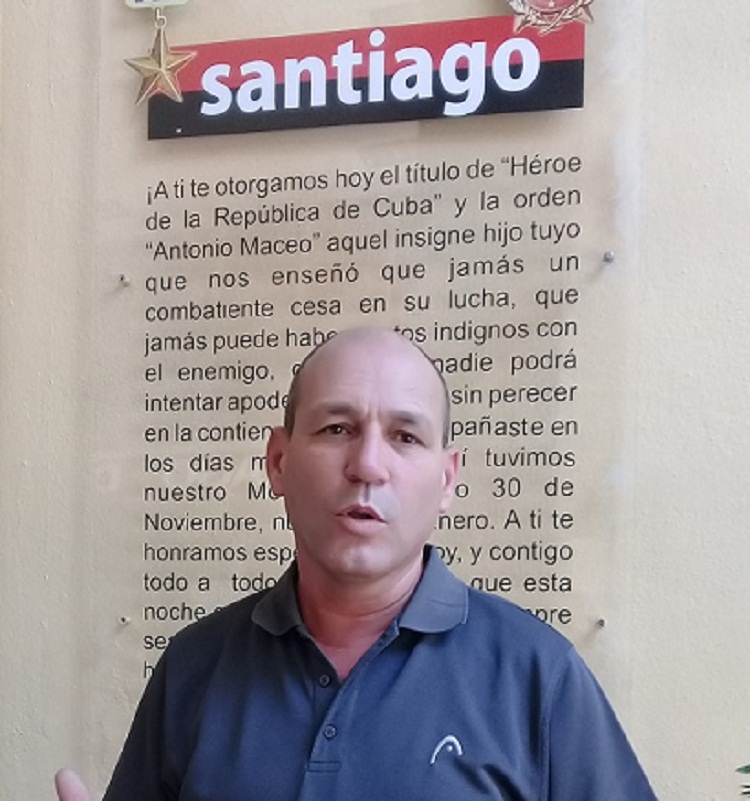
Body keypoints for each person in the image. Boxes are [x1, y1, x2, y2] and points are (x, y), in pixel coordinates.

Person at [56, 326, 657, 800]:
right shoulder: (195, 665)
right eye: (337, 428)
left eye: (405, 437)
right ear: (278, 462)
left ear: (447, 480)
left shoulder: (537, 676)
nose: (367, 465)